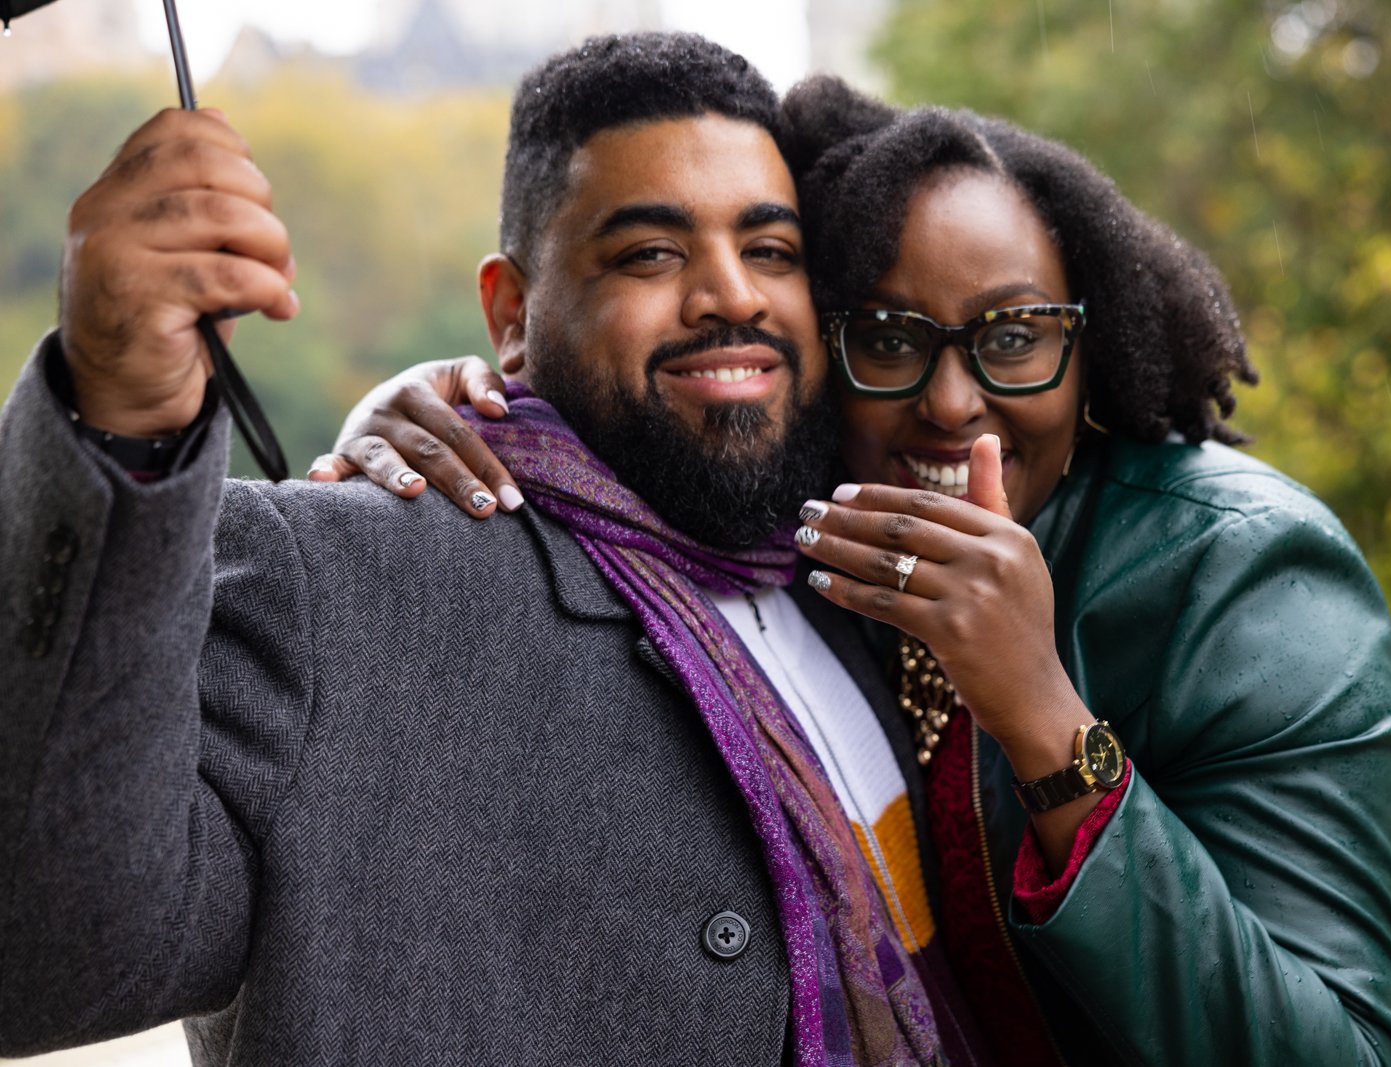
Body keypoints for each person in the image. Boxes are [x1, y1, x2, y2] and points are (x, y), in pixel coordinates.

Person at [331, 76, 1391, 1065]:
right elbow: (656, 378)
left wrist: (1043, 716)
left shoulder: (1245, 573)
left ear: (1090, 345)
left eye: (1013, 336)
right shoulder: (815, 541)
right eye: (887, 337)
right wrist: (447, 398)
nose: (954, 402)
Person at [0, 35, 989, 1066]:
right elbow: (47, 955)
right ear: (510, 314)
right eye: (649, 253)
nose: (730, 294)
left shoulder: (859, 576)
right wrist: (115, 414)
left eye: (771, 251)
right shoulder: (336, 584)